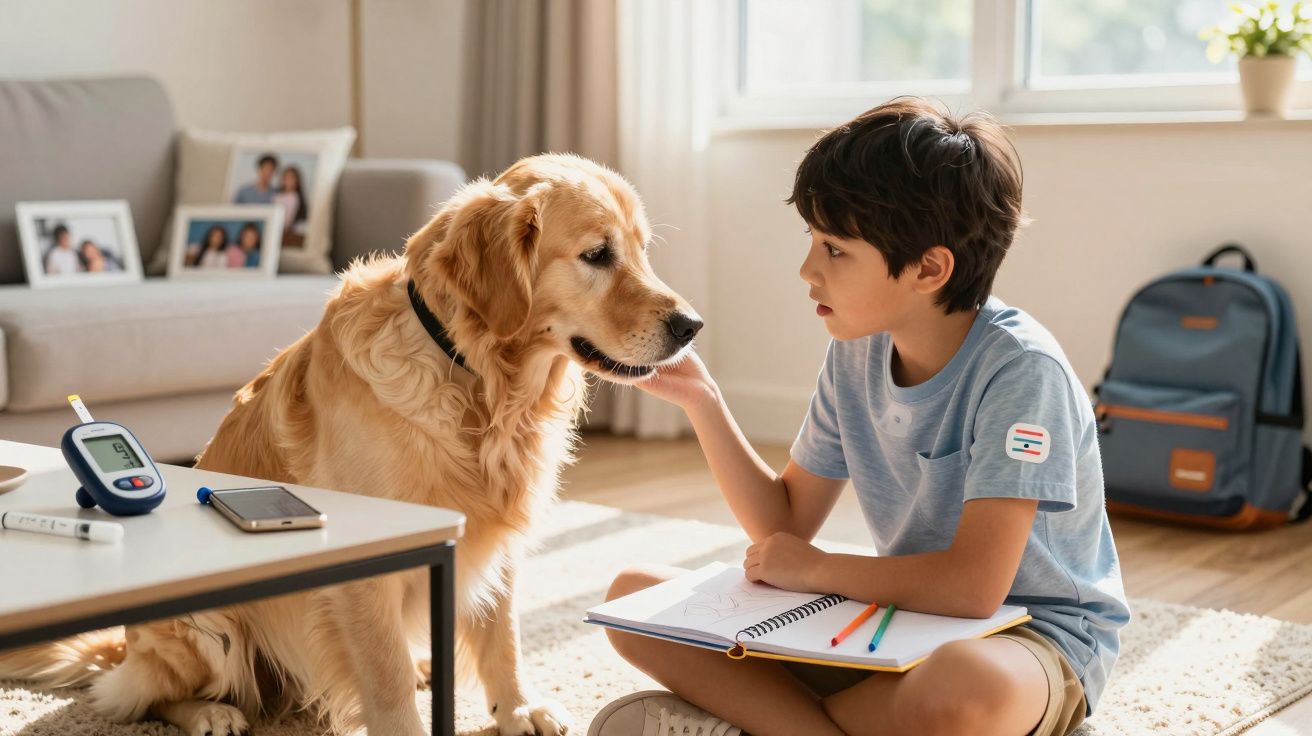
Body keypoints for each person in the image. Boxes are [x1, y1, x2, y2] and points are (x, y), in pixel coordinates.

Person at [589, 98, 1130, 736]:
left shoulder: (1021, 372)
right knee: (634, 597)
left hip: (1031, 643)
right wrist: (702, 402)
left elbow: (973, 589)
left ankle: (768, 722)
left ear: (930, 268)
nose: (808, 271)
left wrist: (817, 571)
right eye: (812, 242)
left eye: (835, 250)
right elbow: (785, 520)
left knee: (960, 689)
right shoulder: (857, 351)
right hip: (893, 623)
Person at [274, 165, 308, 247]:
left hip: (285, 232)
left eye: (291, 178)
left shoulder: (295, 198)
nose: (288, 181)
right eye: (286, 177)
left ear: (297, 181)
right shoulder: (276, 195)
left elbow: (288, 220)